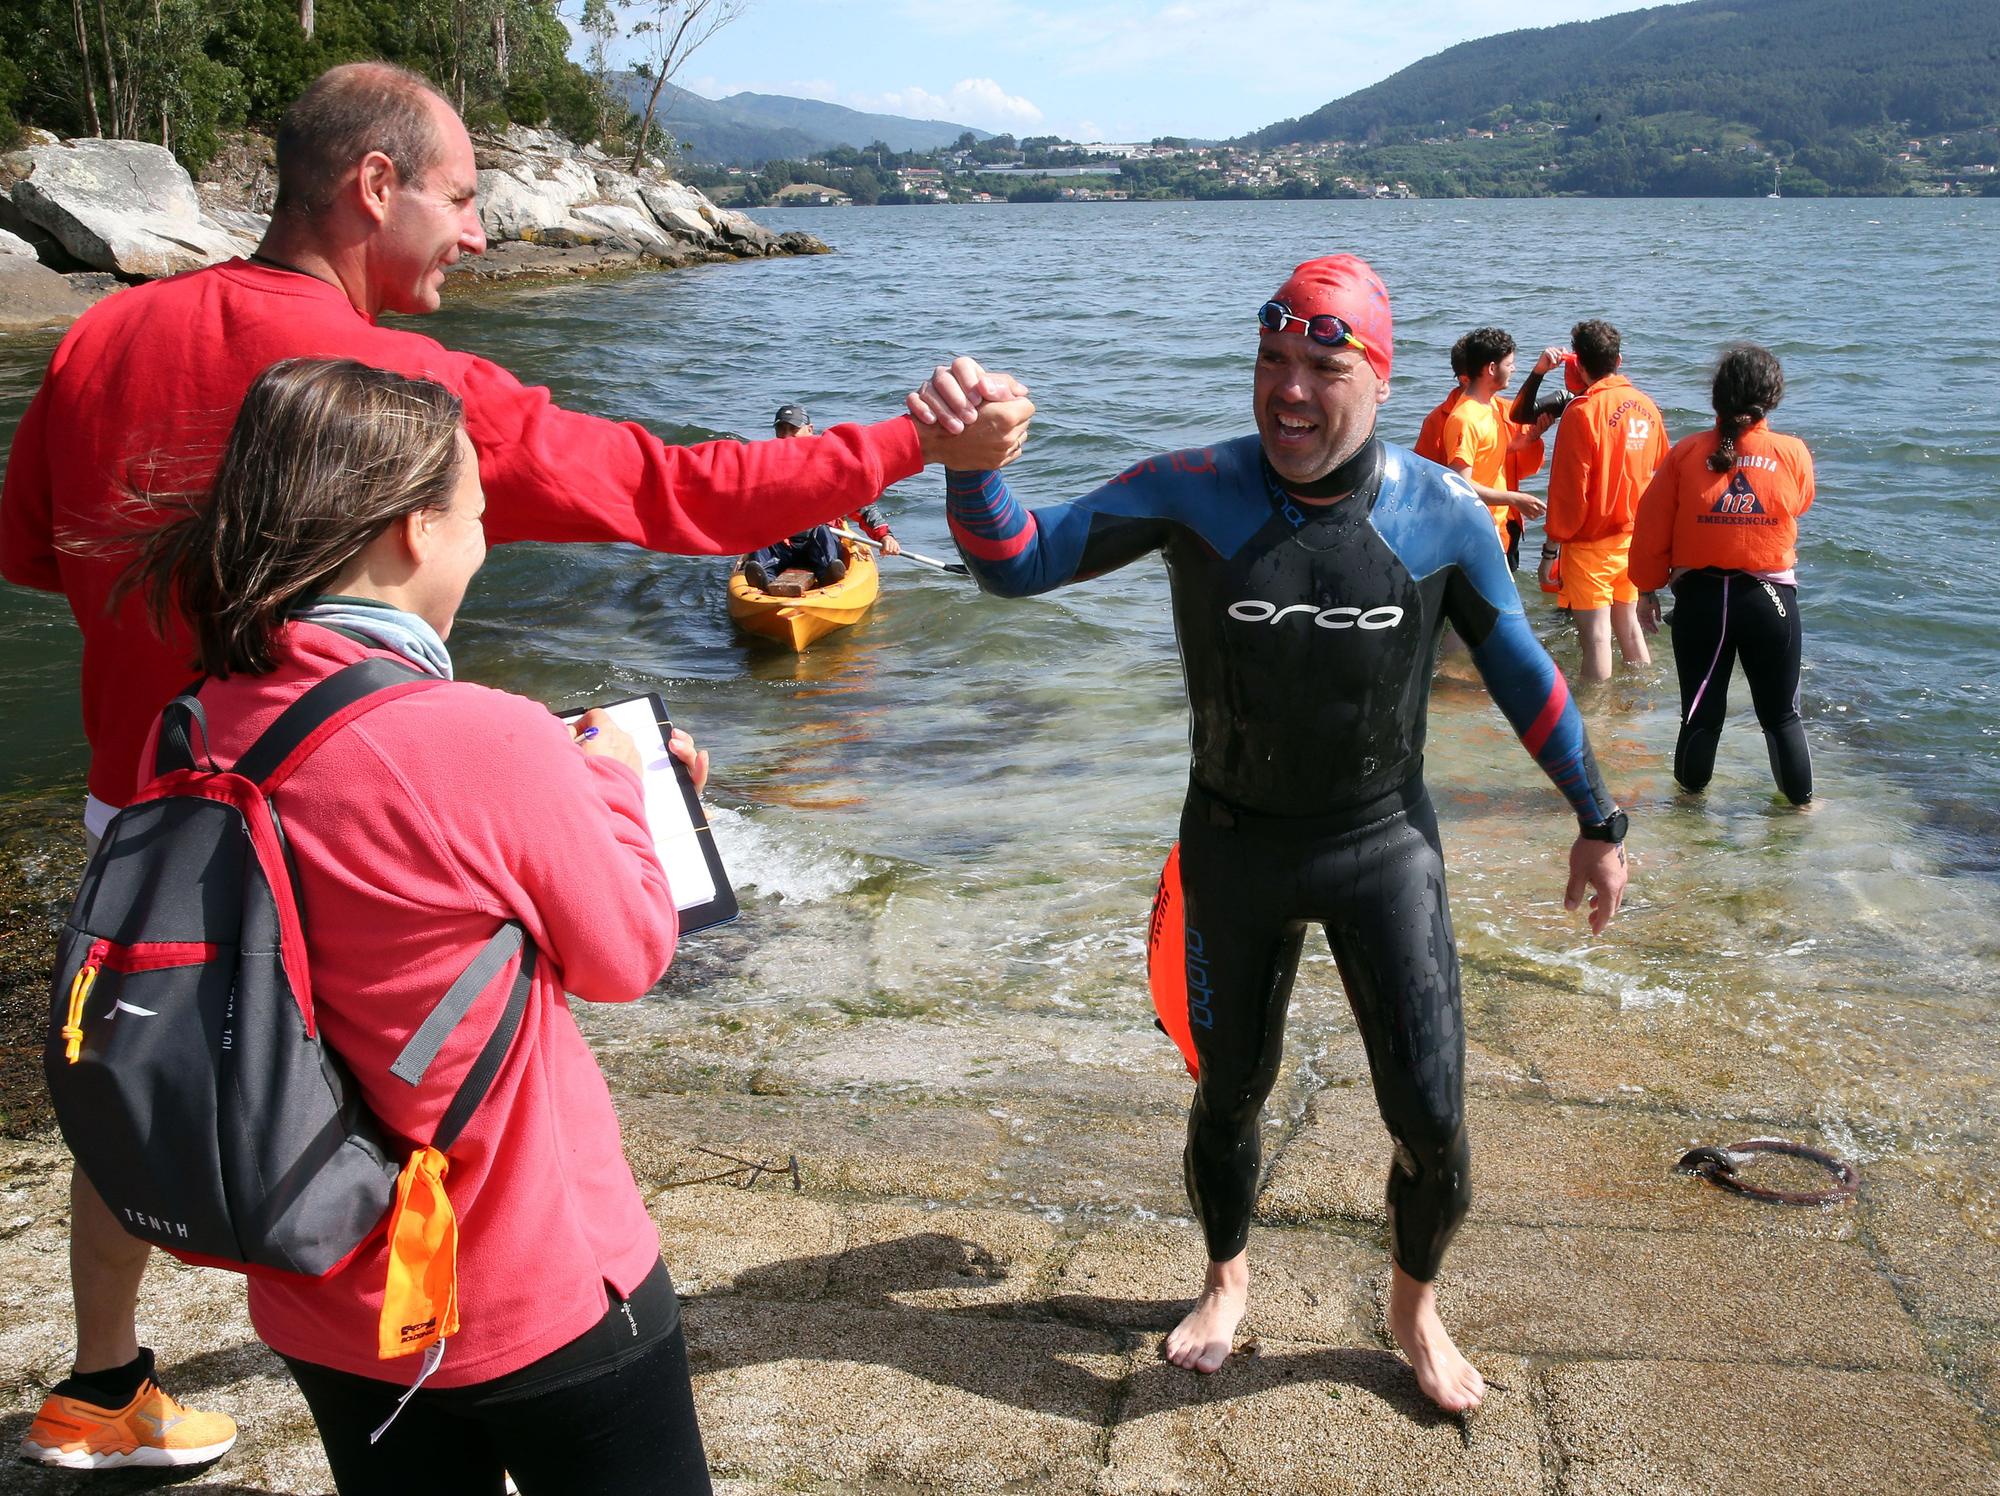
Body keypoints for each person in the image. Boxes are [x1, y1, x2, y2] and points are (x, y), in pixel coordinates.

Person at [0, 59, 1030, 1469]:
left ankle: (105, 1383)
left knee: (149, 1068)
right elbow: (674, 491)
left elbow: (33, 555)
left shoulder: (97, 343)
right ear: (375, 188)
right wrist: (911, 440)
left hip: (157, 808)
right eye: (465, 198)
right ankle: (477, 1351)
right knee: (401, 1102)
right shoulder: (399, 392)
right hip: (361, 808)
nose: (479, 233)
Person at [919, 253, 1629, 1413]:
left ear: (1379, 378)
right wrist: (969, 471)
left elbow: (1522, 672)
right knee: (1229, 1092)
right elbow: (1015, 562)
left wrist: (1596, 818)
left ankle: (1410, 1307)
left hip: (1379, 843)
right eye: (1270, 361)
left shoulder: (1440, 513)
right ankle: (1224, 1278)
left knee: (1435, 1122)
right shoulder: (1193, 485)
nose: (1288, 391)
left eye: (1319, 364)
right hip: (1233, 845)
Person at [112, 357, 709, 1492]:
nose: (483, 546)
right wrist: (619, 790)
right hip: (528, 1277)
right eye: (477, 517)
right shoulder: (479, 736)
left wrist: (559, 787)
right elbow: (628, 951)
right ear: (409, 530)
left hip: (319, 1277)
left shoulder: (190, 724)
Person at [1631, 345, 1815, 804]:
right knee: (1782, 718)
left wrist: (1646, 589)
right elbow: (1799, 504)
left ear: (1716, 397)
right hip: (1768, 601)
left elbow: (1651, 525)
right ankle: (1801, 814)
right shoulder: (1791, 453)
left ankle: (1688, 815)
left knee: (1699, 716)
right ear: (1771, 398)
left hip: (1701, 602)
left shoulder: (1686, 453)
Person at [1541, 320, 1668, 682]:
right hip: (1632, 540)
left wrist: (1551, 551)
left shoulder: (1582, 412)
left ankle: (1595, 726)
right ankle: (1641, 713)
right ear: (1619, 359)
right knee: (1629, 628)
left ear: (1579, 366)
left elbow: (1569, 492)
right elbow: (1658, 469)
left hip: (1590, 544)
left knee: (1596, 639)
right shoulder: (1647, 407)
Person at [741, 402, 904, 589]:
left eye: (793, 429)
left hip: (819, 543)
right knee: (763, 534)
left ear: (809, 430)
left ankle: (828, 574)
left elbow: (862, 505)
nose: (786, 437)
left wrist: (884, 536)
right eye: (781, 429)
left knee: (822, 532)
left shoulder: (830, 467)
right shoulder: (766, 469)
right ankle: (763, 578)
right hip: (783, 544)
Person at [1436, 327, 1549, 570]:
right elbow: (1460, 486)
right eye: (1509, 364)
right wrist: (1515, 499)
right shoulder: (1465, 418)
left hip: (1496, 531)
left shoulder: (1491, 407)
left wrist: (1529, 439)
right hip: (1475, 537)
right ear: (1490, 369)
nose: (1513, 369)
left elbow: (1487, 452)